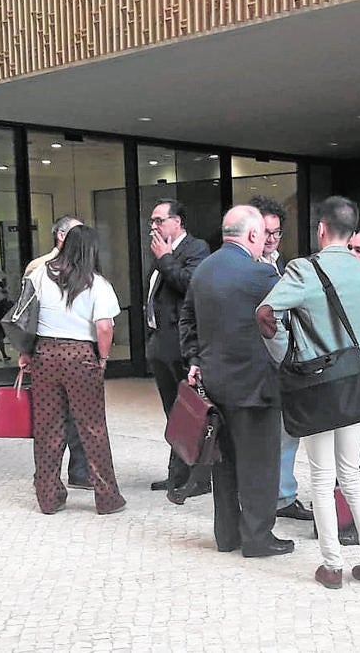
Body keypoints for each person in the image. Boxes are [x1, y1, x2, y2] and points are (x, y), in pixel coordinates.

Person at [257, 196, 360, 589]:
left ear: (321, 228)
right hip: (356, 388)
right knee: (351, 475)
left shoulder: (303, 270)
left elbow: (266, 314)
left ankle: (332, 565)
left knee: (321, 478)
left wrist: (288, 356)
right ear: (352, 233)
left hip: (315, 386)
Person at [179, 205, 291, 558]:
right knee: (260, 464)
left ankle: (227, 535)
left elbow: (187, 319)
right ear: (254, 234)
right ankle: (258, 537)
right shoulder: (262, 274)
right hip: (256, 385)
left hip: (214, 382)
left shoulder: (203, 269)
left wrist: (194, 359)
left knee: (223, 462)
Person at [18, 225, 127, 516]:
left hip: (44, 354)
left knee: (47, 427)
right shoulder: (97, 283)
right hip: (80, 357)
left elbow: (26, 317)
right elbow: (104, 327)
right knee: (92, 427)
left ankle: (48, 497)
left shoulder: (39, 275)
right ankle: (107, 497)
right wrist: (103, 358)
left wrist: (26, 352)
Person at [248, 195, 314, 523]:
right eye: (266, 232)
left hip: (283, 361)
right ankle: (268, 498)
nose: (272, 239)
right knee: (263, 435)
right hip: (256, 362)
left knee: (287, 432)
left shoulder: (283, 265)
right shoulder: (246, 267)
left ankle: (282, 494)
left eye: (277, 232)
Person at [144, 198, 212, 498]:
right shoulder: (162, 252)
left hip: (181, 342)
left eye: (159, 220)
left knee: (190, 410)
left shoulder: (195, 249)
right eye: (152, 221)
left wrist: (166, 259)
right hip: (160, 340)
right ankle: (178, 473)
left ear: (177, 222)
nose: (154, 227)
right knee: (173, 411)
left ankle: (198, 477)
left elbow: (190, 284)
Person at [25, 215, 91, 489]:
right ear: (61, 236)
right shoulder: (39, 268)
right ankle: (51, 476)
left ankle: (72, 473)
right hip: (56, 351)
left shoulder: (84, 266)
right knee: (56, 418)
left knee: (73, 416)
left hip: (64, 352)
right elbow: (28, 314)